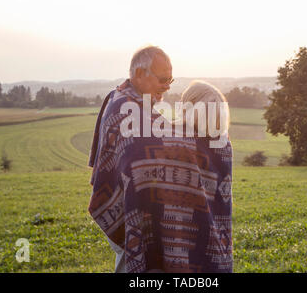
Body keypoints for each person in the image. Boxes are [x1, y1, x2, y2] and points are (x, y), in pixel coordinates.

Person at [88, 46, 233, 273]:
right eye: (163, 79)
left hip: (141, 213)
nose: (167, 86)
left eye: (171, 80)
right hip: (131, 212)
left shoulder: (133, 105)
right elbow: (156, 144)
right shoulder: (127, 109)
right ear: (139, 74)